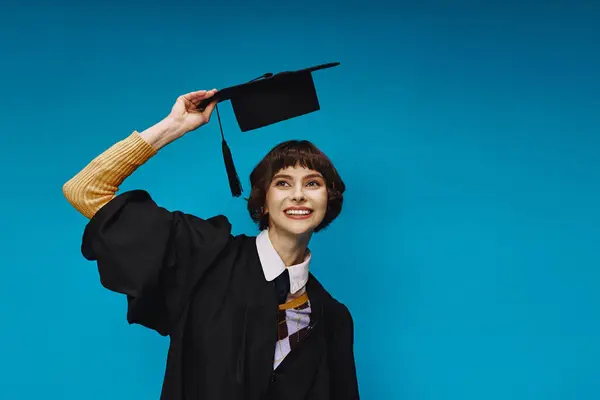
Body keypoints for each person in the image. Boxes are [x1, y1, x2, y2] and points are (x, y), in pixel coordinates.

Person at [62, 89, 359, 399]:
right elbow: (85, 190)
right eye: (283, 183)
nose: (298, 195)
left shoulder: (332, 317)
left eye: (312, 183)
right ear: (263, 202)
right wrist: (174, 126)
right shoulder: (203, 255)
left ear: (329, 200)